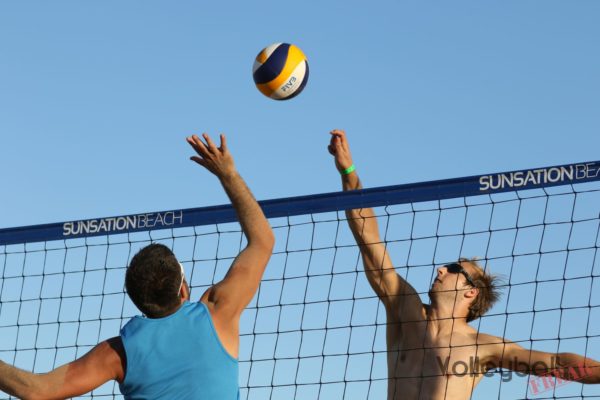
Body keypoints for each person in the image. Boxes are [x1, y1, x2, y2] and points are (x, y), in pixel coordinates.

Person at [327, 129, 600, 400]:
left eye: (454, 269)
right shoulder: (404, 308)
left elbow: (556, 364)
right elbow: (368, 239)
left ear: (471, 292)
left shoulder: (483, 347)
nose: (441, 269)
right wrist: (348, 172)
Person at [0, 133, 274, 399]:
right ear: (183, 290)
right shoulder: (217, 313)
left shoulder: (118, 353)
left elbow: (36, 390)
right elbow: (262, 241)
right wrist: (228, 174)